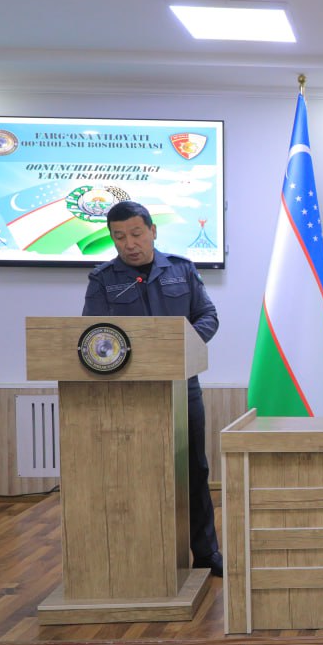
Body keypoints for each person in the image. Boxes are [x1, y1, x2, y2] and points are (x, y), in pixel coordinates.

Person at [82, 200, 223, 577]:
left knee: (194, 469)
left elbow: (207, 316)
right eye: (119, 237)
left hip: (182, 386)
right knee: (137, 471)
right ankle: (144, 557)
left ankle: (206, 553)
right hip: (130, 393)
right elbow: (92, 333)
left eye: (136, 234)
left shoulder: (181, 269)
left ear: (153, 231)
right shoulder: (102, 279)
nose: (129, 244)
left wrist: (182, 346)